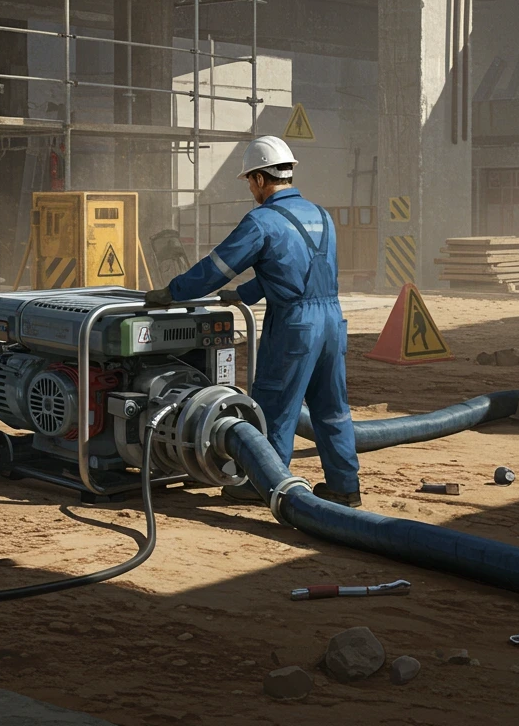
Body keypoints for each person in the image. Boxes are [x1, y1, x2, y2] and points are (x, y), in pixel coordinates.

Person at [143, 136, 362, 507]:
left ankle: (264, 482)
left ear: (261, 178)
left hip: (296, 325)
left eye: (249, 180)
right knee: (331, 407)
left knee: (275, 404)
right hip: (331, 321)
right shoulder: (323, 215)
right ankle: (345, 486)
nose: (249, 188)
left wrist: (173, 291)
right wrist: (243, 295)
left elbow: (217, 268)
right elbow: (299, 269)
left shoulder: (263, 221)